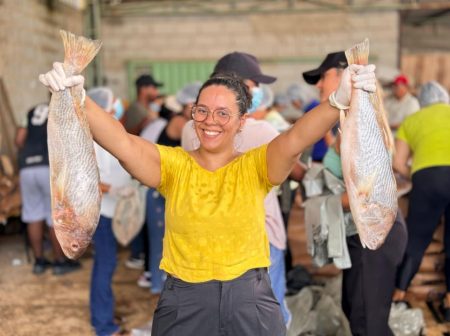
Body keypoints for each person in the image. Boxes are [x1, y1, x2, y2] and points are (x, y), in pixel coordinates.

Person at [39, 55, 376, 336]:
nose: (209, 121)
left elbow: (295, 139)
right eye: (202, 110)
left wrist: (338, 101)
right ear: (192, 113)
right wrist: (79, 99)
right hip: (184, 300)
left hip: (249, 297)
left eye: (222, 113)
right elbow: (123, 143)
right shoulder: (173, 166)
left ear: (242, 121)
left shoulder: (255, 167)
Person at [181, 52, 294, 325]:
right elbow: (292, 156)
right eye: (254, 85)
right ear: (239, 86)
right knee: (268, 318)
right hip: (259, 237)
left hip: (210, 239)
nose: (257, 91)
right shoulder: (262, 131)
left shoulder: (190, 129)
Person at [303, 51, 408, 336]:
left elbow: (368, 194)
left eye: (322, 78)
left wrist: (321, 204)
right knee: (356, 311)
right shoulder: (346, 126)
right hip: (360, 235)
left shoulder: (360, 125)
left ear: (341, 76)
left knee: (367, 323)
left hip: (375, 236)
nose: (319, 86)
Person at [392, 81, 450, 319]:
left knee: (415, 240)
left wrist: (415, 175)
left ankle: (398, 296)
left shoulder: (411, 121)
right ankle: (448, 304)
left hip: (426, 178)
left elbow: (397, 163)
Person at [141, 81, 202, 294]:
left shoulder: (184, 122)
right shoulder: (180, 123)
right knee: (161, 244)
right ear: (187, 105)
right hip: (161, 192)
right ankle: (159, 289)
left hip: (169, 189)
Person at [87, 87, 134, 336]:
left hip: (110, 211)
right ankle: (104, 325)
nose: (118, 104)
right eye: (113, 102)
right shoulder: (92, 137)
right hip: (102, 213)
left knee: (106, 265)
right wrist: (115, 189)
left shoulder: (105, 133)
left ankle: (103, 313)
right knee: (105, 266)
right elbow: (87, 180)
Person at [15, 102, 81, 275]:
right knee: (55, 216)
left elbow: (19, 139)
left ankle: (39, 262)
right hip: (49, 167)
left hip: (27, 168)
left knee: (33, 214)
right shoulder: (64, 110)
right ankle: (59, 262)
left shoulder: (31, 110)